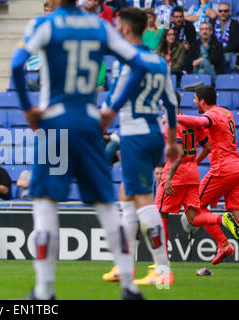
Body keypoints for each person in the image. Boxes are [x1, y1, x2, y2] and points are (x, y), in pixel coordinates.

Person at [11, 0, 155, 300]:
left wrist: (28, 110)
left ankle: (44, 291)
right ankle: (129, 286)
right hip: (90, 122)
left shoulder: (44, 24)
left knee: (46, 202)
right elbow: (139, 63)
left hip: (54, 123)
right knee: (105, 203)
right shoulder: (100, 25)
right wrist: (112, 109)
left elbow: (16, 64)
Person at [100, 7, 180, 286]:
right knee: (126, 198)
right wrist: (171, 142)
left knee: (143, 201)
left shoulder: (126, 60)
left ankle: (162, 269)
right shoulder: (159, 62)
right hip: (154, 135)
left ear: (124, 29)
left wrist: (102, 124)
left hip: (133, 134)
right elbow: (170, 104)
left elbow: (115, 97)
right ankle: (124, 265)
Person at [175, 86, 239, 263]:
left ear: (202, 101)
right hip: (236, 168)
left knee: (195, 209)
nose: (193, 102)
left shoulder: (212, 116)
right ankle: (224, 240)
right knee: (236, 211)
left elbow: (201, 123)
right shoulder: (227, 113)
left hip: (222, 169)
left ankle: (224, 244)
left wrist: (176, 118)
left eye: (195, 99)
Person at [154, 90, 213, 261]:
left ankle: (163, 260)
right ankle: (223, 220)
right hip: (192, 174)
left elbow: (177, 153)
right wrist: (193, 161)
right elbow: (208, 147)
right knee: (194, 217)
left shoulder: (170, 124)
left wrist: (169, 178)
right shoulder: (192, 122)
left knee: (160, 214)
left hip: (175, 174)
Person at [210, 2, 239, 68]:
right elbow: (210, 39)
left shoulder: (235, 24)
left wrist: (222, 50)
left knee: (226, 59)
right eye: (220, 11)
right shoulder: (212, 23)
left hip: (229, 51)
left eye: (225, 11)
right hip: (214, 51)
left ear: (230, 12)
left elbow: (236, 43)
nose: (222, 13)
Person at [169, 6, 197, 71]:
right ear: (172, 18)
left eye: (181, 17)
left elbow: (192, 44)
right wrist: (181, 46)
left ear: (183, 17)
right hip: (172, 52)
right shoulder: (168, 27)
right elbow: (167, 43)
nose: (179, 19)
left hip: (186, 53)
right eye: (176, 17)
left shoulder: (189, 26)